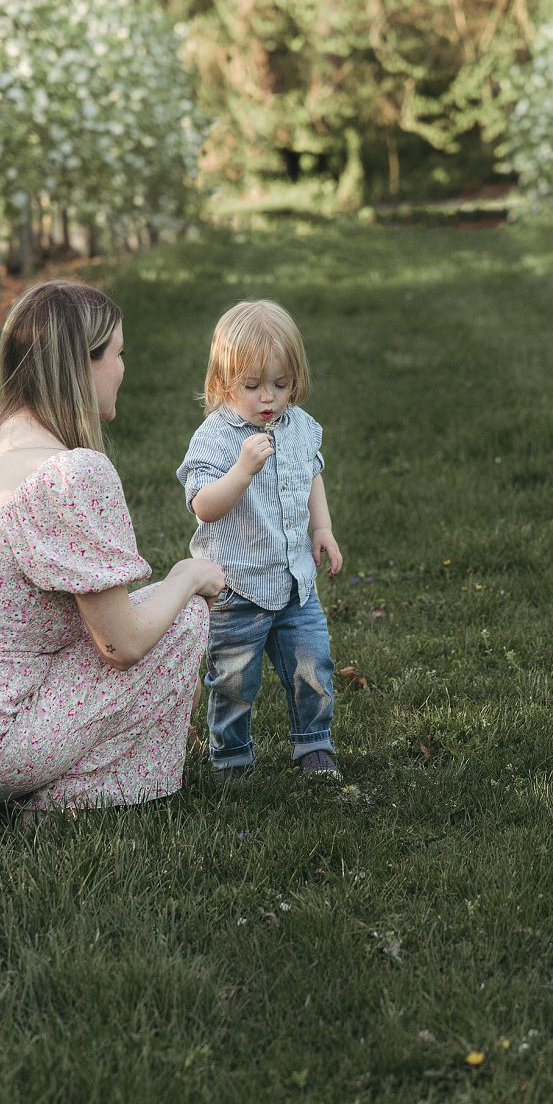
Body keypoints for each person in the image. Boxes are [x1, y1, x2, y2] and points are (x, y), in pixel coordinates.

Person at [0, 280, 222, 809]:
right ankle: (56, 798)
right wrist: (188, 577)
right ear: (83, 365)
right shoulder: (68, 475)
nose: (124, 369)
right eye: (119, 353)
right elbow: (121, 645)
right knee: (184, 620)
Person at [177, 299, 346, 778]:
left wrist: (323, 528)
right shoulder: (215, 438)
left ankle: (314, 743)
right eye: (252, 386)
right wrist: (242, 471)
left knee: (313, 666)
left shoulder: (300, 427)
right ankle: (231, 756)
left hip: (295, 582)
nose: (267, 397)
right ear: (224, 382)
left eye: (281, 384)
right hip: (236, 589)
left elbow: (311, 474)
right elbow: (203, 505)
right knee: (233, 679)